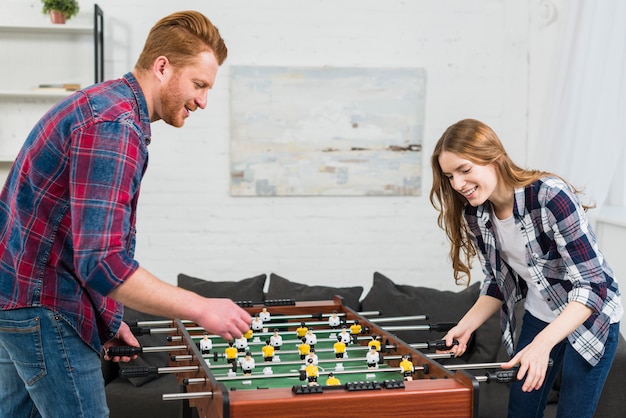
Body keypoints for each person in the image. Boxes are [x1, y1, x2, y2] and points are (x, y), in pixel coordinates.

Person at [0, 11, 252, 418]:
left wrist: (108, 315)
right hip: (46, 309)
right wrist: (202, 307)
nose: (203, 100)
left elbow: (72, 238)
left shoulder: (104, 106)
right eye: (199, 84)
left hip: (18, 300)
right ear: (163, 66)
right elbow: (103, 262)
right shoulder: (113, 127)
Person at [429, 118, 623, 418]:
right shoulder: (477, 215)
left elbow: (593, 286)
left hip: (589, 318)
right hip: (539, 315)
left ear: (494, 157)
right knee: (521, 410)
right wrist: (465, 327)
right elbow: (499, 280)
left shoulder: (550, 196)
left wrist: (542, 344)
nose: (457, 184)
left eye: (465, 170)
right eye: (449, 176)